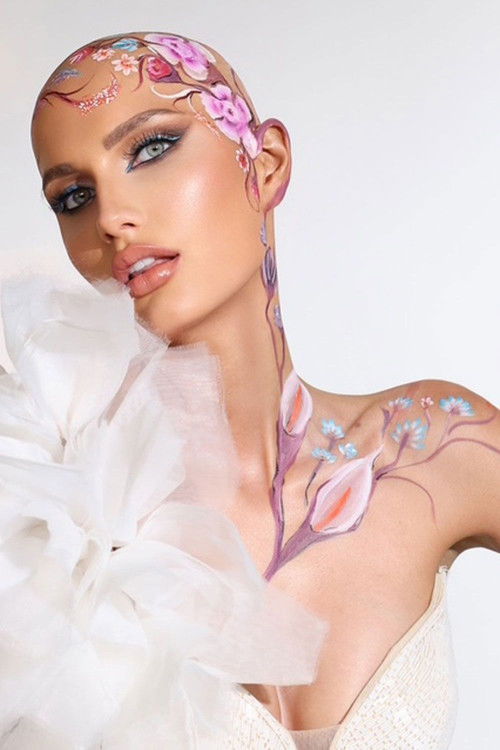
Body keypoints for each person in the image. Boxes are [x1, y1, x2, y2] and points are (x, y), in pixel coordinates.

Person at [26, 30, 500, 748]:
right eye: (74, 196)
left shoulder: (431, 444)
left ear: (267, 163)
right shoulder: (60, 519)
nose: (111, 217)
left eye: (151, 148)